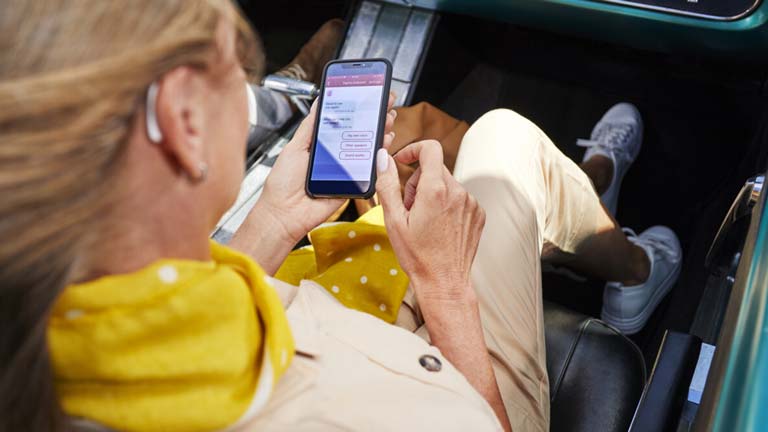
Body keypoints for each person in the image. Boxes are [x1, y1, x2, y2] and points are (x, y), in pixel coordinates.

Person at [0, 2, 682, 432]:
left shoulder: (61, 322)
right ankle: (632, 270)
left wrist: (273, 223)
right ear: (183, 121)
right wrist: (445, 287)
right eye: (238, 69)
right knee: (504, 143)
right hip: (453, 388)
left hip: (345, 327)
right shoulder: (338, 416)